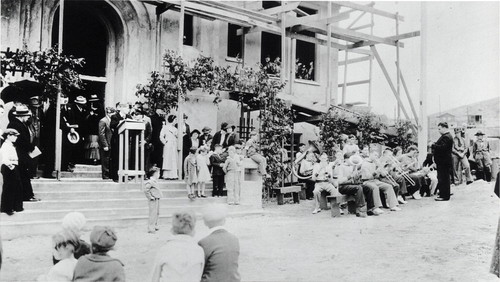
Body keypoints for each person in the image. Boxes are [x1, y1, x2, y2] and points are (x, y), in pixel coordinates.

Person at [151, 211, 204, 282]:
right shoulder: (199, 251)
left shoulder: (165, 249)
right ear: (193, 230)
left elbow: (154, 277)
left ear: (172, 230)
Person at [198, 204, 240, 282]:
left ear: (205, 222)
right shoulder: (234, 239)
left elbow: (199, 270)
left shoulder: (204, 242)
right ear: (224, 220)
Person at [7, 105, 39, 202]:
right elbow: (21, 141)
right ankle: (27, 195)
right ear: (22, 116)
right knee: (23, 174)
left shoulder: (20, 124)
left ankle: (27, 195)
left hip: (22, 153)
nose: (28, 118)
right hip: (19, 153)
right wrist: (31, 147)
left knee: (24, 174)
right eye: (27, 116)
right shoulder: (15, 124)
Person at [332, 152, 367, 217]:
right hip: (342, 187)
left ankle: (371, 208)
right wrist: (350, 176)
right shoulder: (341, 167)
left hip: (351, 186)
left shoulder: (352, 166)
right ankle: (360, 209)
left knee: (367, 187)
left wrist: (358, 174)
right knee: (358, 188)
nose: (352, 161)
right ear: (345, 159)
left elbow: (355, 179)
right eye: (350, 159)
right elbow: (339, 181)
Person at [0, 129, 24, 215]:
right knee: (9, 187)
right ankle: (7, 208)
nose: (16, 137)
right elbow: (5, 158)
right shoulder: (6, 146)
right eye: (14, 135)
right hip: (9, 167)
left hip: (12, 166)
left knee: (16, 186)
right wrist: (12, 167)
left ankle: (16, 206)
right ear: (8, 136)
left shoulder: (10, 145)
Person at [432, 122, 454, 201]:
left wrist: (433, 145)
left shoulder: (446, 137)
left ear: (444, 128)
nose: (438, 130)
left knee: (443, 178)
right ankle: (443, 194)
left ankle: (444, 196)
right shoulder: (447, 136)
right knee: (443, 178)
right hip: (443, 161)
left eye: (439, 129)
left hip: (443, 162)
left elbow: (443, 148)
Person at [110, 103, 131, 182]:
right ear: (121, 108)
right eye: (127, 108)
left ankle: (124, 175)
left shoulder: (129, 117)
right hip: (117, 140)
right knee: (116, 157)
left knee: (125, 158)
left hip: (126, 140)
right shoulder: (114, 116)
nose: (128, 110)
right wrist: (121, 122)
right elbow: (112, 125)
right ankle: (115, 176)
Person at [69, 96, 89, 165]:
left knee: (81, 144)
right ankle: (73, 160)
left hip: (82, 130)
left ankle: (79, 159)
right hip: (74, 129)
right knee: (74, 144)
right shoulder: (72, 109)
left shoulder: (84, 110)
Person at [84, 95, 103, 165]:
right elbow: (85, 119)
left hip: (96, 129)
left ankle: (95, 159)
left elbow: (101, 119)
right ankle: (89, 158)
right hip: (89, 129)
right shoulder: (88, 109)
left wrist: (94, 115)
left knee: (95, 144)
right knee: (89, 144)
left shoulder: (100, 109)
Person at [144, 167, 163, 234]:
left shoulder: (155, 181)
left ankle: (155, 225)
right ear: (155, 174)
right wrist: (150, 197)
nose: (159, 175)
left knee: (157, 213)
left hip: (157, 198)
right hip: (153, 200)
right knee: (153, 214)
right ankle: (151, 228)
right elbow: (146, 190)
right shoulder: (150, 182)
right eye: (158, 173)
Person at [160, 115, 178, 180]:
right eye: (175, 120)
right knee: (168, 159)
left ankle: (173, 175)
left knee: (173, 159)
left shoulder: (175, 129)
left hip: (174, 145)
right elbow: (161, 136)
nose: (176, 121)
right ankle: (166, 175)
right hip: (168, 145)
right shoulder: (165, 127)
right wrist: (165, 142)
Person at [98, 107, 114, 180]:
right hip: (106, 143)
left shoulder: (110, 120)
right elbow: (101, 134)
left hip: (111, 143)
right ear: (109, 113)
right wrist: (105, 144)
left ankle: (109, 174)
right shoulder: (103, 121)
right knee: (105, 160)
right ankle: (105, 175)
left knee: (109, 159)